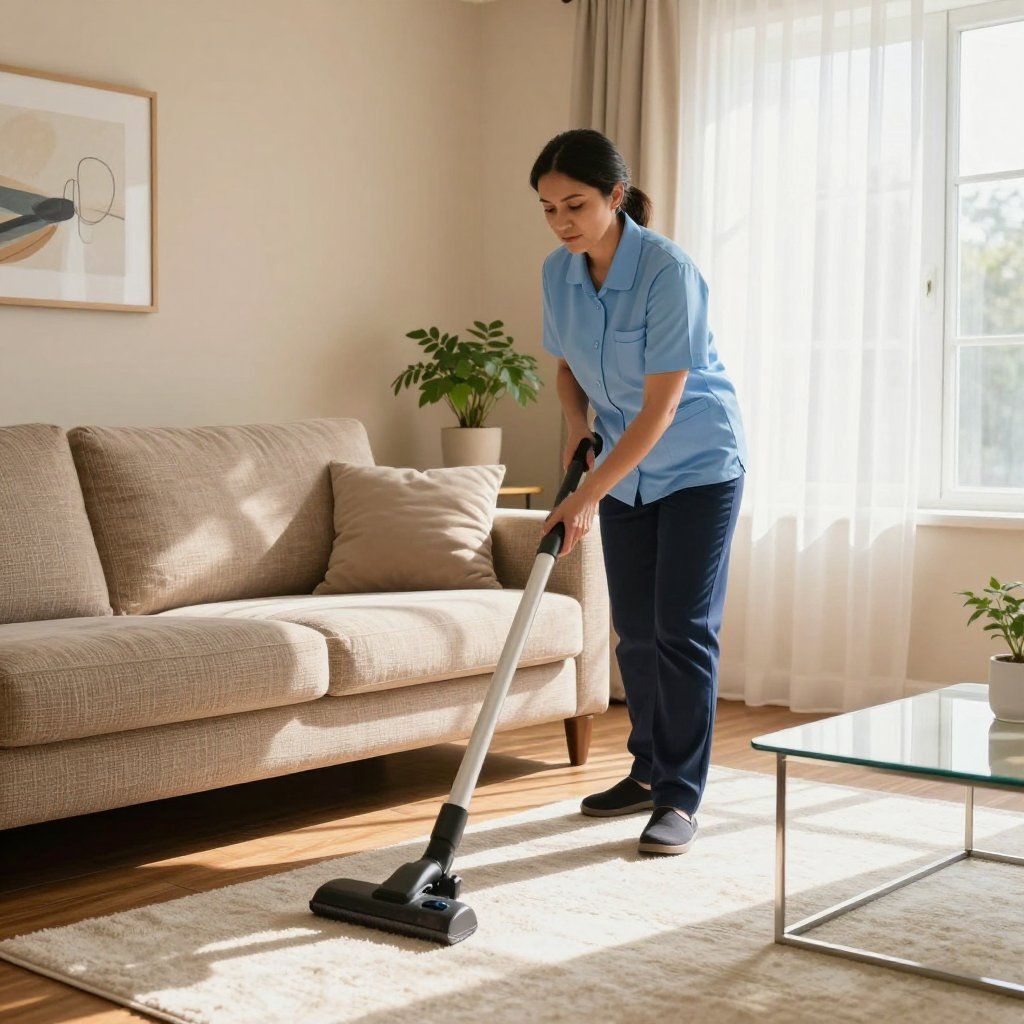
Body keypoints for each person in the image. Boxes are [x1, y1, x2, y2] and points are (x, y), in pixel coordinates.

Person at [530, 129, 748, 856]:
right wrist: (574, 424)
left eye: (577, 204)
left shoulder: (666, 271)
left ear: (616, 196)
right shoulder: (559, 274)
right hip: (620, 464)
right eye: (549, 207)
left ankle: (682, 797)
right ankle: (648, 769)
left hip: (696, 464)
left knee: (682, 628)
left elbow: (660, 408)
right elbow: (566, 366)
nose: (563, 221)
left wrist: (587, 491)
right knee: (638, 630)